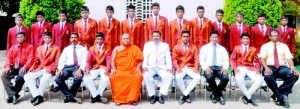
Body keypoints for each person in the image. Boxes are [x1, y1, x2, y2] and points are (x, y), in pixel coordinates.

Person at [260, 30, 299, 108]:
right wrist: (266, 68)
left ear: (279, 36)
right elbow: (262, 59)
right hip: (270, 67)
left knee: (294, 75)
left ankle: (277, 95)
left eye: (276, 35)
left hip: (282, 67)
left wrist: (292, 67)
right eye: (273, 36)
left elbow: (289, 58)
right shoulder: (265, 46)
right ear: (270, 37)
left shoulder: (284, 46)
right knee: (267, 76)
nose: (275, 37)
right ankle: (282, 97)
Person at [24, 32, 61, 106]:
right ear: (43, 38)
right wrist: (32, 67)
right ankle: (37, 95)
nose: (47, 39)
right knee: (27, 76)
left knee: (44, 79)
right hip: (40, 68)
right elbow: (36, 60)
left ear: (51, 38)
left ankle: (38, 97)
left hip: (49, 69)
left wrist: (51, 69)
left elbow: (57, 61)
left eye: (49, 37)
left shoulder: (56, 48)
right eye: (46, 37)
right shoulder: (39, 48)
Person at [110, 33, 144, 106]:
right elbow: (112, 60)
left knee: (137, 77)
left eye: (127, 38)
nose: (125, 40)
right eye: (124, 39)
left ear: (130, 39)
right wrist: (113, 68)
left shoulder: (135, 48)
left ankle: (133, 99)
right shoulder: (117, 48)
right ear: (121, 40)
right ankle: (119, 99)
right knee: (114, 77)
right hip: (120, 69)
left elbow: (141, 60)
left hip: (132, 69)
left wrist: (138, 68)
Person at [230, 32, 263, 106]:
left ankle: (246, 96)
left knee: (259, 80)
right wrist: (234, 68)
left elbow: (257, 61)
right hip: (240, 67)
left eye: (247, 39)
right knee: (238, 79)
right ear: (241, 40)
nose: (245, 40)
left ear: (249, 40)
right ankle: (249, 97)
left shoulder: (253, 49)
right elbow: (232, 59)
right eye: (244, 38)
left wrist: (257, 69)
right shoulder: (236, 48)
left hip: (250, 68)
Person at [1, 31, 34, 104]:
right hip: (14, 66)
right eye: (18, 37)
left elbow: (31, 59)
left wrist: (25, 67)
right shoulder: (13, 47)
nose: (19, 38)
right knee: (3, 75)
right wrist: (8, 66)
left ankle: (12, 95)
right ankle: (13, 95)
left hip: (24, 66)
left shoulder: (30, 47)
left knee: (21, 76)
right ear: (16, 38)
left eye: (21, 37)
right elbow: (9, 57)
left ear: (25, 37)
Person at [55, 32, 88, 104]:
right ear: (70, 39)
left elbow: (84, 61)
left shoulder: (83, 49)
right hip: (67, 68)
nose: (73, 39)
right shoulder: (66, 49)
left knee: (78, 78)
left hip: (77, 68)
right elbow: (62, 59)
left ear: (78, 39)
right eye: (72, 37)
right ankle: (71, 96)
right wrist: (60, 69)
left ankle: (69, 96)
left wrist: (80, 70)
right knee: (57, 78)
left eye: (75, 37)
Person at [142, 31, 173, 104]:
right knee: (146, 75)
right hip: (151, 67)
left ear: (160, 37)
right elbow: (144, 57)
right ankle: (152, 95)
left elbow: (168, 57)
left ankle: (161, 95)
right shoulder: (147, 45)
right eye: (154, 36)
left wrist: (169, 67)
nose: (156, 37)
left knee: (169, 75)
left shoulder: (165, 45)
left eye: (157, 36)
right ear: (151, 37)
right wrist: (145, 66)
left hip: (161, 67)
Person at [199, 30, 229, 105]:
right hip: (209, 67)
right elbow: (202, 60)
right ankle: (220, 94)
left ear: (218, 38)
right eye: (213, 37)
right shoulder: (204, 48)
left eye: (216, 37)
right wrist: (206, 68)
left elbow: (226, 60)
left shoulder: (222, 48)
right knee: (209, 77)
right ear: (210, 38)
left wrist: (225, 68)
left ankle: (214, 94)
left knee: (226, 78)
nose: (215, 39)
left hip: (220, 68)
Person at [173, 30, 200, 105]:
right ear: (181, 37)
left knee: (197, 77)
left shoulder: (194, 47)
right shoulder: (176, 47)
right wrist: (177, 67)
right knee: (178, 77)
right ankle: (186, 95)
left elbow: (196, 59)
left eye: (187, 37)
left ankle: (184, 94)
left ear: (189, 37)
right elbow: (174, 60)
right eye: (184, 36)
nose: (185, 38)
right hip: (181, 67)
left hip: (190, 67)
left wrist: (196, 67)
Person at [83, 32, 111, 103]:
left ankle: (96, 95)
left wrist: (108, 69)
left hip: (103, 67)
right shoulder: (92, 48)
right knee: (86, 78)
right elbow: (88, 60)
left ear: (103, 40)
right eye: (98, 39)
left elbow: (109, 60)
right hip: (95, 67)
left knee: (106, 78)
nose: (99, 40)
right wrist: (87, 69)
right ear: (95, 40)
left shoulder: (108, 48)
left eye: (101, 39)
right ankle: (97, 96)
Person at [228, 12, 251, 88]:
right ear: (236, 17)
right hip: (235, 48)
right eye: (238, 17)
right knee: (234, 64)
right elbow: (230, 38)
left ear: (242, 18)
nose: (239, 18)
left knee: (244, 64)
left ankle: (242, 81)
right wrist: (231, 49)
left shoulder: (247, 27)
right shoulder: (232, 27)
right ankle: (233, 82)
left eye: (241, 17)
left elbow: (248, 38)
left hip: (244, 49)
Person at [251, 13, 272, 91]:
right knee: (257, 66)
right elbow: (252, 40)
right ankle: (256, 83)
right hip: (257, 50)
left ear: (265, 19)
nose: (262, 20)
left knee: (265, 66)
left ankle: (264, 83)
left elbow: (270, 40)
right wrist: (253, 51)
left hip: (266, 50)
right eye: (260, 19)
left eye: (263, 19)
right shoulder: (253, 28)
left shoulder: (269, 28)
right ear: (257, 20)